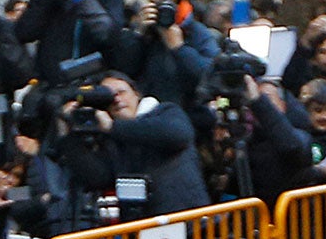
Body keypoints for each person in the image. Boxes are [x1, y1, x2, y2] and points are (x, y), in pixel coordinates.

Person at [48, 71, 208, 220]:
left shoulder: (165, 112)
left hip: (189, 224)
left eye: (121, 92)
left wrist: (113, 127)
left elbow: (178, 135)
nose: (117, 99)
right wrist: (66, 134)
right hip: (141, 231)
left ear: (136, 93)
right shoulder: (111, 139)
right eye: (109, 97)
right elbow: (98, 177)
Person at [119, 0, 219, 116]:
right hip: (151, 114)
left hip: (189, 115)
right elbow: (125, 68)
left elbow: (209, 75)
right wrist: (137, 32)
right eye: (154, 4)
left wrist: (179, 48)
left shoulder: (199, 33)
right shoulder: (147, 33)